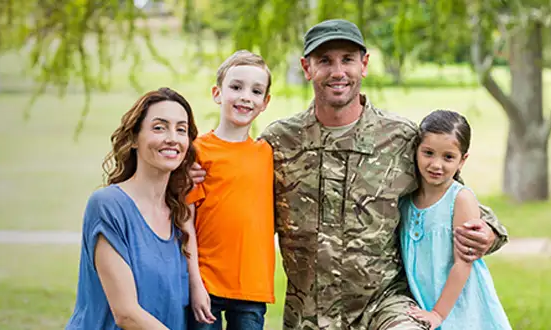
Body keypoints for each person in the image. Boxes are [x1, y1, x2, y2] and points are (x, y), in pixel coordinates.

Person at [188, 19, 511, 330]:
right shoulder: (279, 142)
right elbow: (231, 185)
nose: (338, 72)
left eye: (348, 60)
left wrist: (488, 233)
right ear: (307, 68)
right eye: (325, 61)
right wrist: (188, 170)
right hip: (309, 314)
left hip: (384, 305)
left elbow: (456, 201)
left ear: (364, 64)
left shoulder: (400, 139)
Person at [66, 87, 201, 330]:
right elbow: (126, 314)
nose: (172, 137)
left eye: (181, 129)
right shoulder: (108, 205)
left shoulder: (180, 214)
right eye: (159, 127)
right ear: (134, 139)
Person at [182, 50, 277, 330]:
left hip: (251, 286)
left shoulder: (267, 153)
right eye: (236, 87)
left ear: (265, 102)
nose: (246, 96)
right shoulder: (197, 151)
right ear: (217, 93)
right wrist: (194, 283)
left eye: (256, 91)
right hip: (206, 283)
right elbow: (185, 220)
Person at [400, 110, 512, 330]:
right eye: (428, 153)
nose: (436, 164)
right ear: (416, 151)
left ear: (463, 160)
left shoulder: (460, 199)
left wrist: (437, 314)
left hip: (461, 307)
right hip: (426, 300)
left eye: (448, 157)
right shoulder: (406, 199)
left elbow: (463, 263)